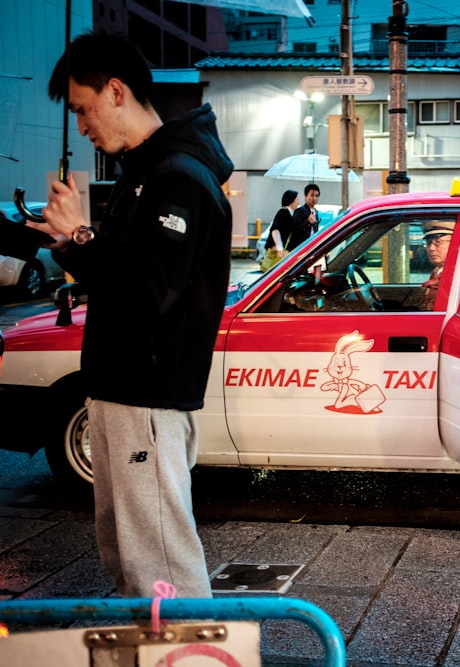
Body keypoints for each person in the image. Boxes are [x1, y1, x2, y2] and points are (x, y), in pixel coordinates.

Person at [33, 30, 233, 599]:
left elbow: (152, 294)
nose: (81, 126)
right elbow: (121, 271)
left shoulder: (177, 178)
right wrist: (73, 243)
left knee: (162, 570)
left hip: (146, 396)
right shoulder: (144, 174)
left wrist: (79, 232)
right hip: (121, 390)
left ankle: (192, 658)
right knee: (129, 559)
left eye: (83, 108)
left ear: (115, 91)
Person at [421, 220, 454, 310]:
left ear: (455, 243)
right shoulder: (439, 270)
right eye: (428, 243)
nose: (431, 248)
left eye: (438, 241)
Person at [265, 189, 298, 254]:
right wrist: (280, 248)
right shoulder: (283, 212)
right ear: (291, 200)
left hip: (282, 249)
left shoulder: (290, 214)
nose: (298, 203)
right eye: (297, 200)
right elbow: (275, 229)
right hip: (276, 249)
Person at [289, 182, 320, 250]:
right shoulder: (300, 211)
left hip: (311, 248)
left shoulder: (316, 212)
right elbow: (295, 229)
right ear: (305, 196)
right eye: (311, 195)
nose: (314, 198)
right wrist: (308, 222)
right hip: (299, 248)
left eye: (316, 196)